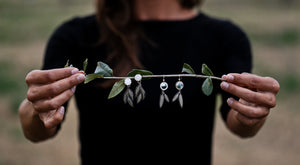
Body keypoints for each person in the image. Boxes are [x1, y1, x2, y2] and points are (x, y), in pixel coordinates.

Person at [19, 0, 280, 164]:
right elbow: (37, 129)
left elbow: (239, 123)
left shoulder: (225, 37)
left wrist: (251, 113)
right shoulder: (74, 36)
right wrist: (36, 109)